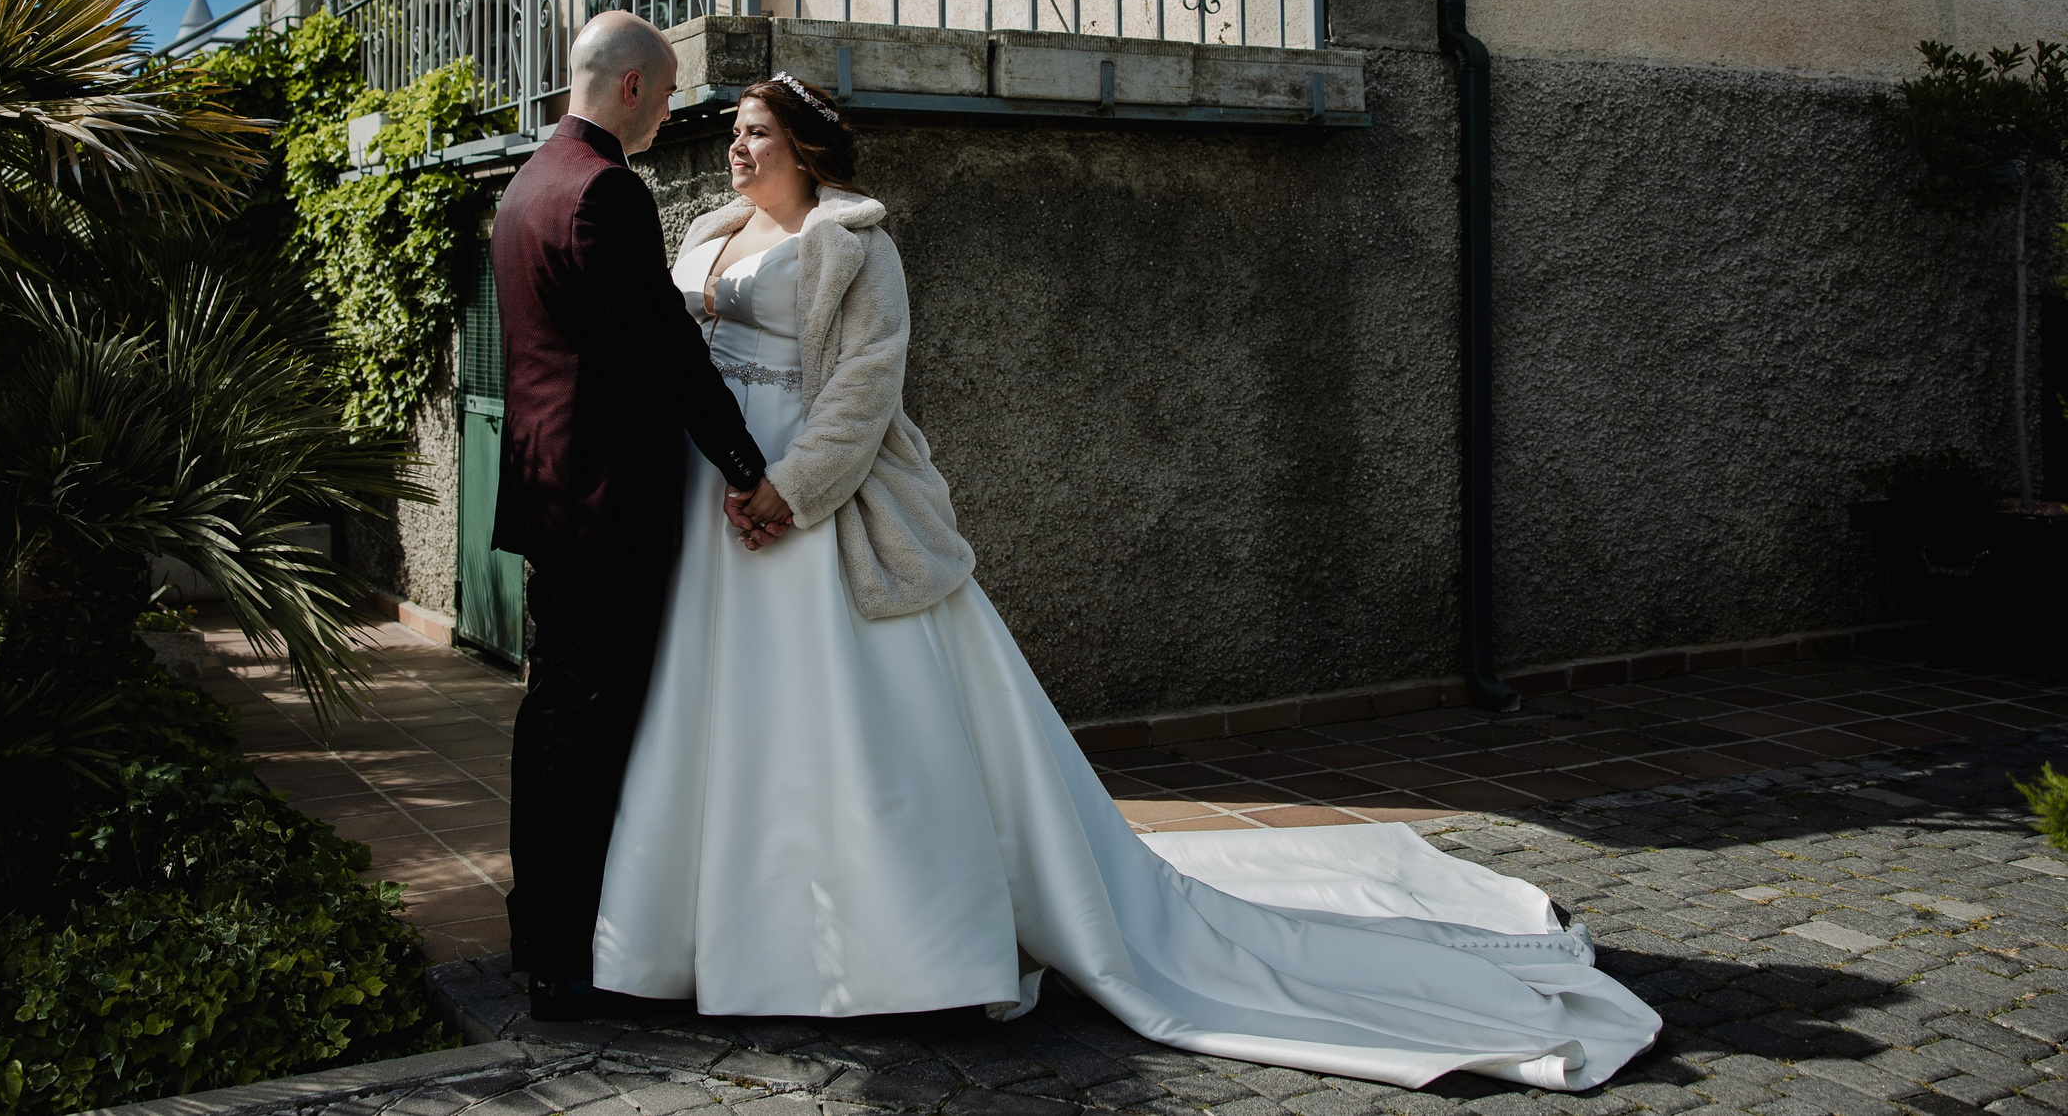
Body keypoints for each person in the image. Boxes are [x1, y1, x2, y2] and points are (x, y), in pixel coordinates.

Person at [588, 74, 1663, 1092]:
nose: (734, 144)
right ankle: (714, 928)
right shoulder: (704, 233)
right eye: (731, 128)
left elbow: (867, 387)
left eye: (756, 130)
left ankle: (892, 945)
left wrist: (789, 488)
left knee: (847, 719)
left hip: (811, 502)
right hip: (711, 491)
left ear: (805, 148)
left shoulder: (856, 245)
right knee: (721, 712)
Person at [489, 12, 788, 1022]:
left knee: (552, 714)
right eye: (664, 95)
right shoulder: (607, 190)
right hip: (601, 499)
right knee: (588, 725)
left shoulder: (528, 179)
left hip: (546, 490)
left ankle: (539, 925)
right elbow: (664, 350)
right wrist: (747, 462)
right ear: (629, 88)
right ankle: (565, 961)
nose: (669, 111)